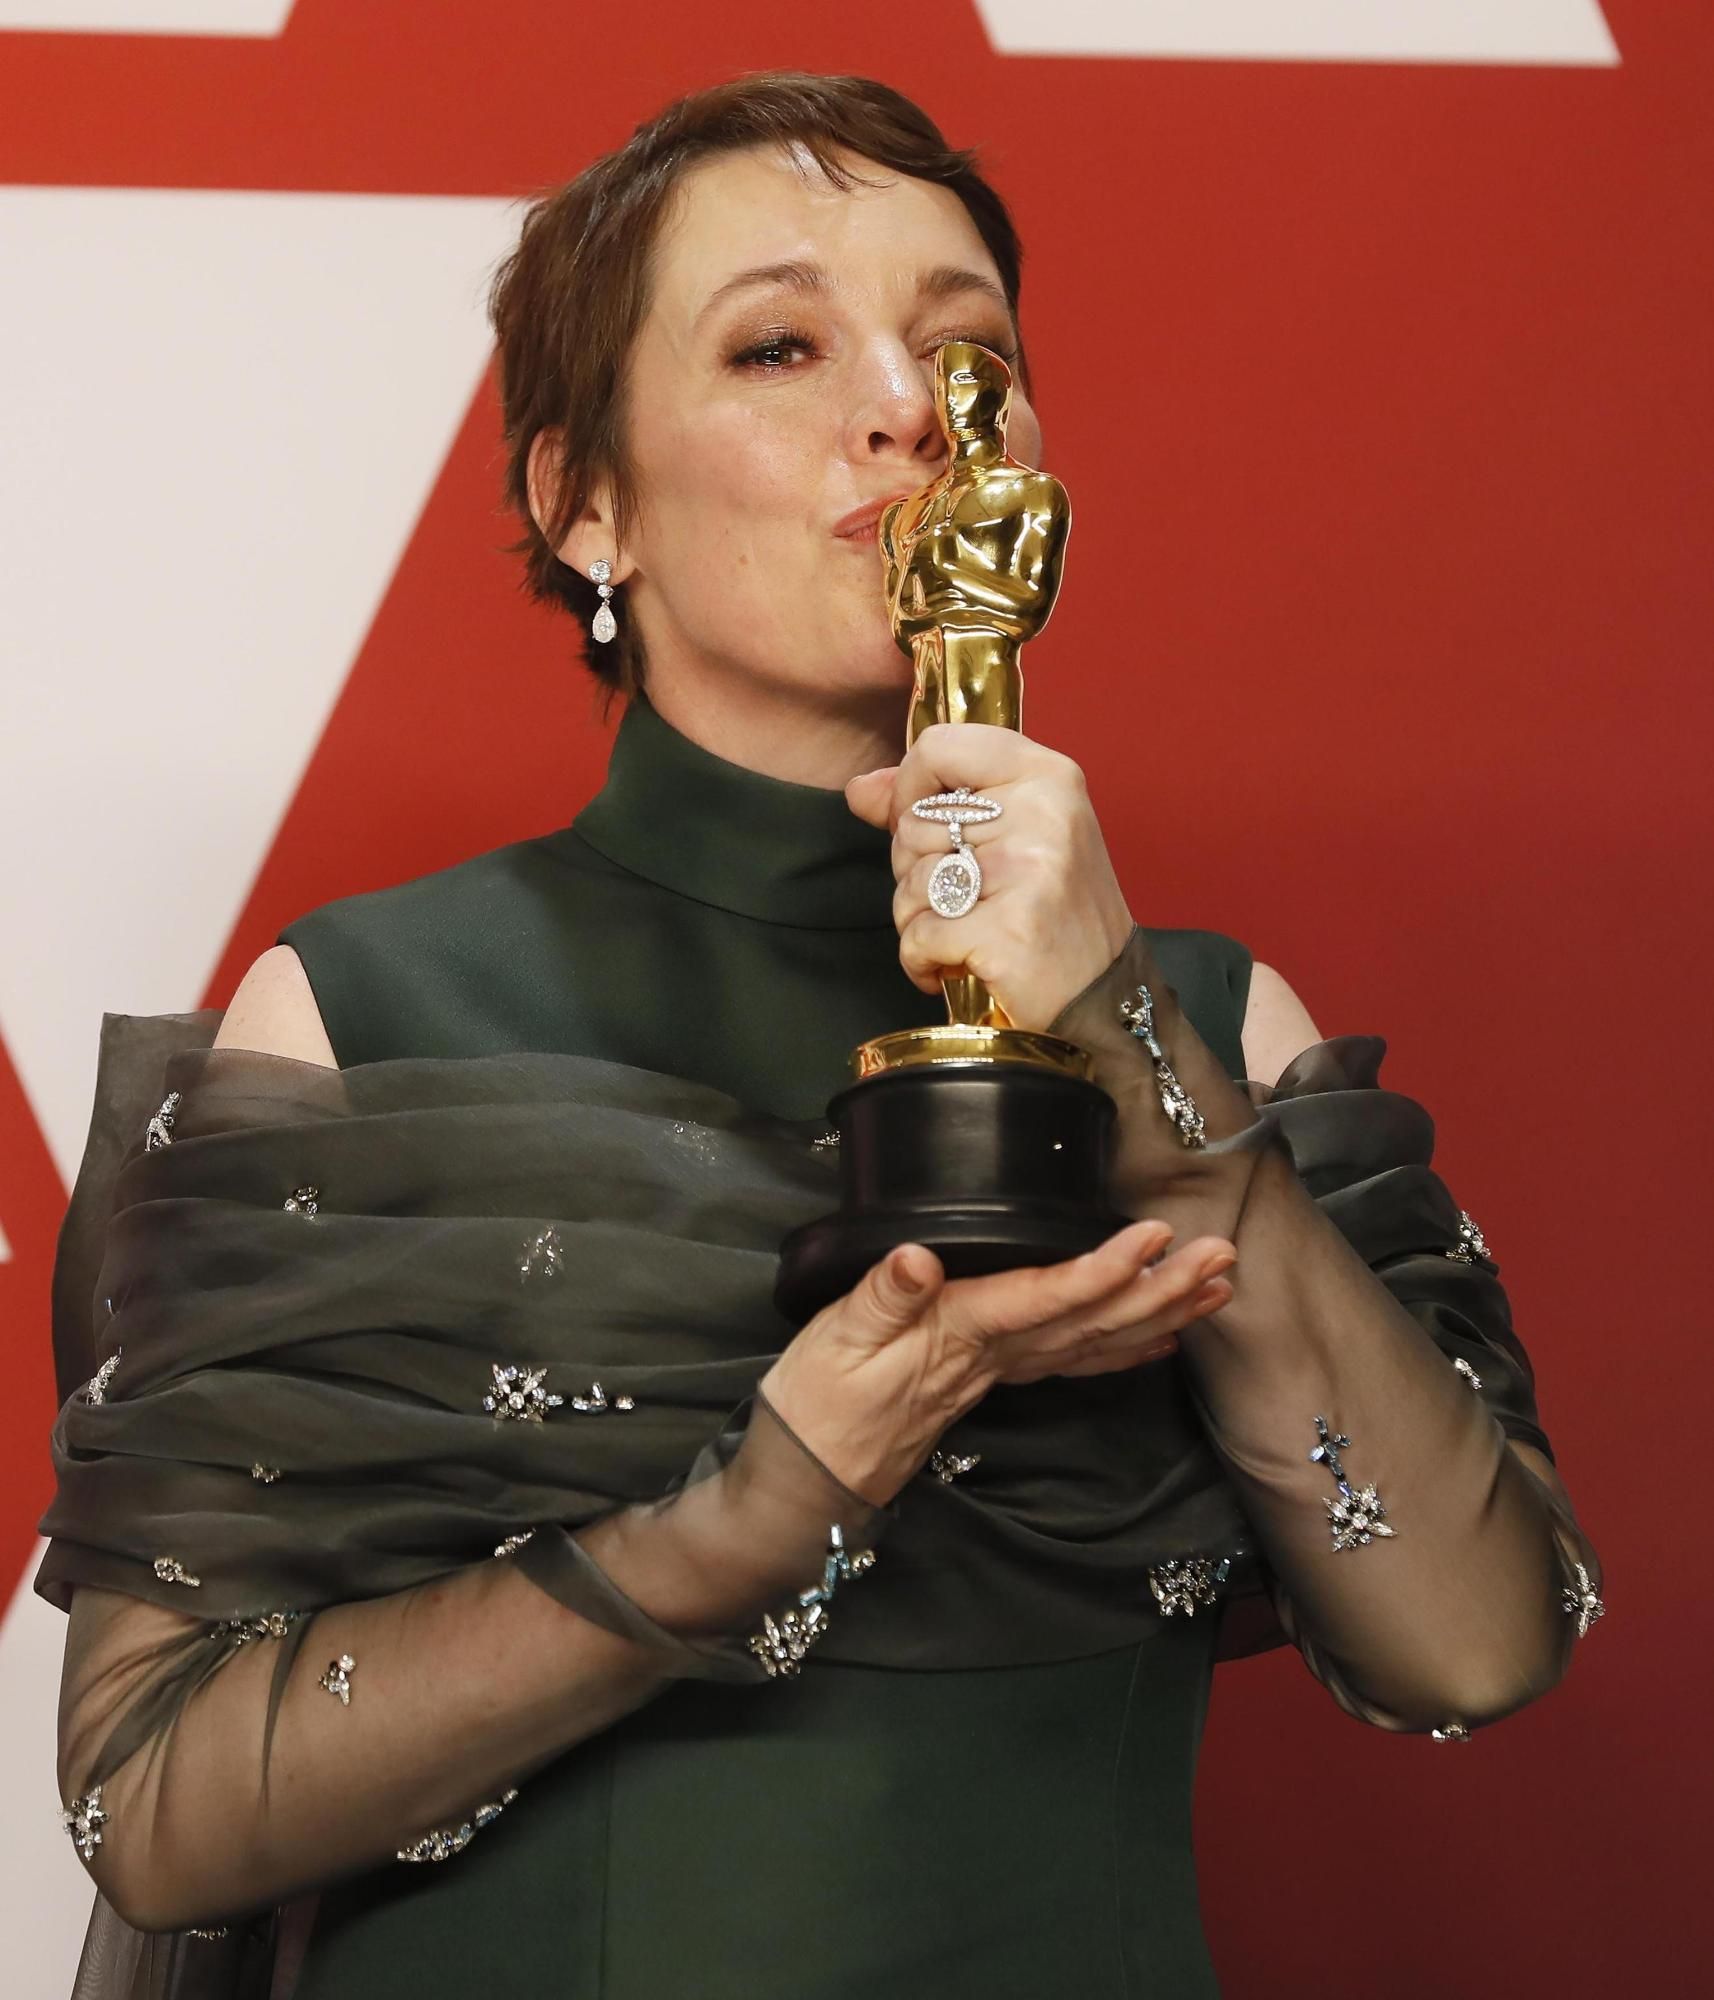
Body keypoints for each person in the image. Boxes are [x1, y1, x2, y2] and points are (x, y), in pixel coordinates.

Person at [38, 72, 1604, 2000]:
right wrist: (765, 1500)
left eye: (968, 352)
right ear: (583, 502)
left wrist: (1121, 1030)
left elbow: (1473, 1644)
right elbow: (157, 1806)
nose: (908, 410)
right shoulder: (370, 1015)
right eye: (778, 346)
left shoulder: (1209, 1023)